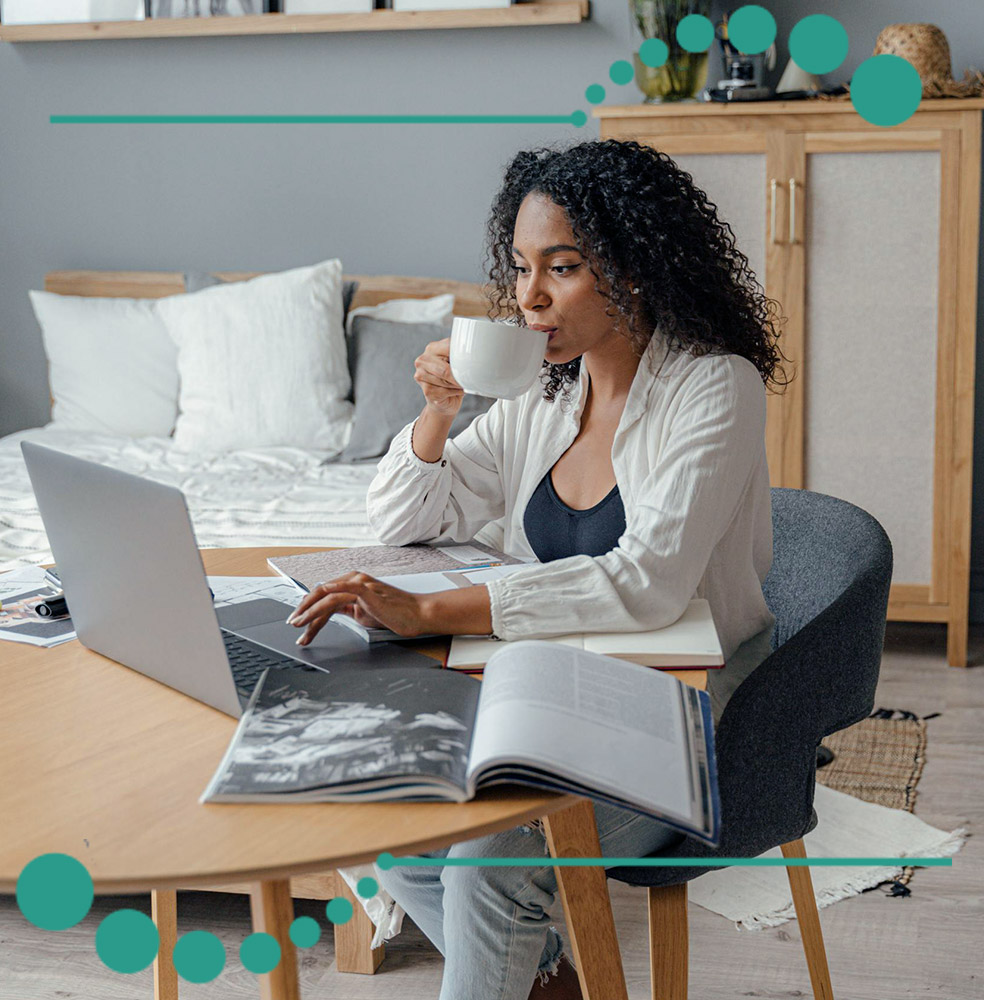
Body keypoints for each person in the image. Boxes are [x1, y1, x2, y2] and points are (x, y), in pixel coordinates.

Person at [288, 138, 786, 999]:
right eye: (520, 268)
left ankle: (536, 975)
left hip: (683, 710)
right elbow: (405, 519)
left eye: (561, 268)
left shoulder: (716, 386)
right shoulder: (544, 396)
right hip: (545, 692)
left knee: (492, 850)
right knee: (391, 796)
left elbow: (648, 581)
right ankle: (547, 976)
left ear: (633, 270)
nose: (528, 298)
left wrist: (438, 612)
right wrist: (439, 414)